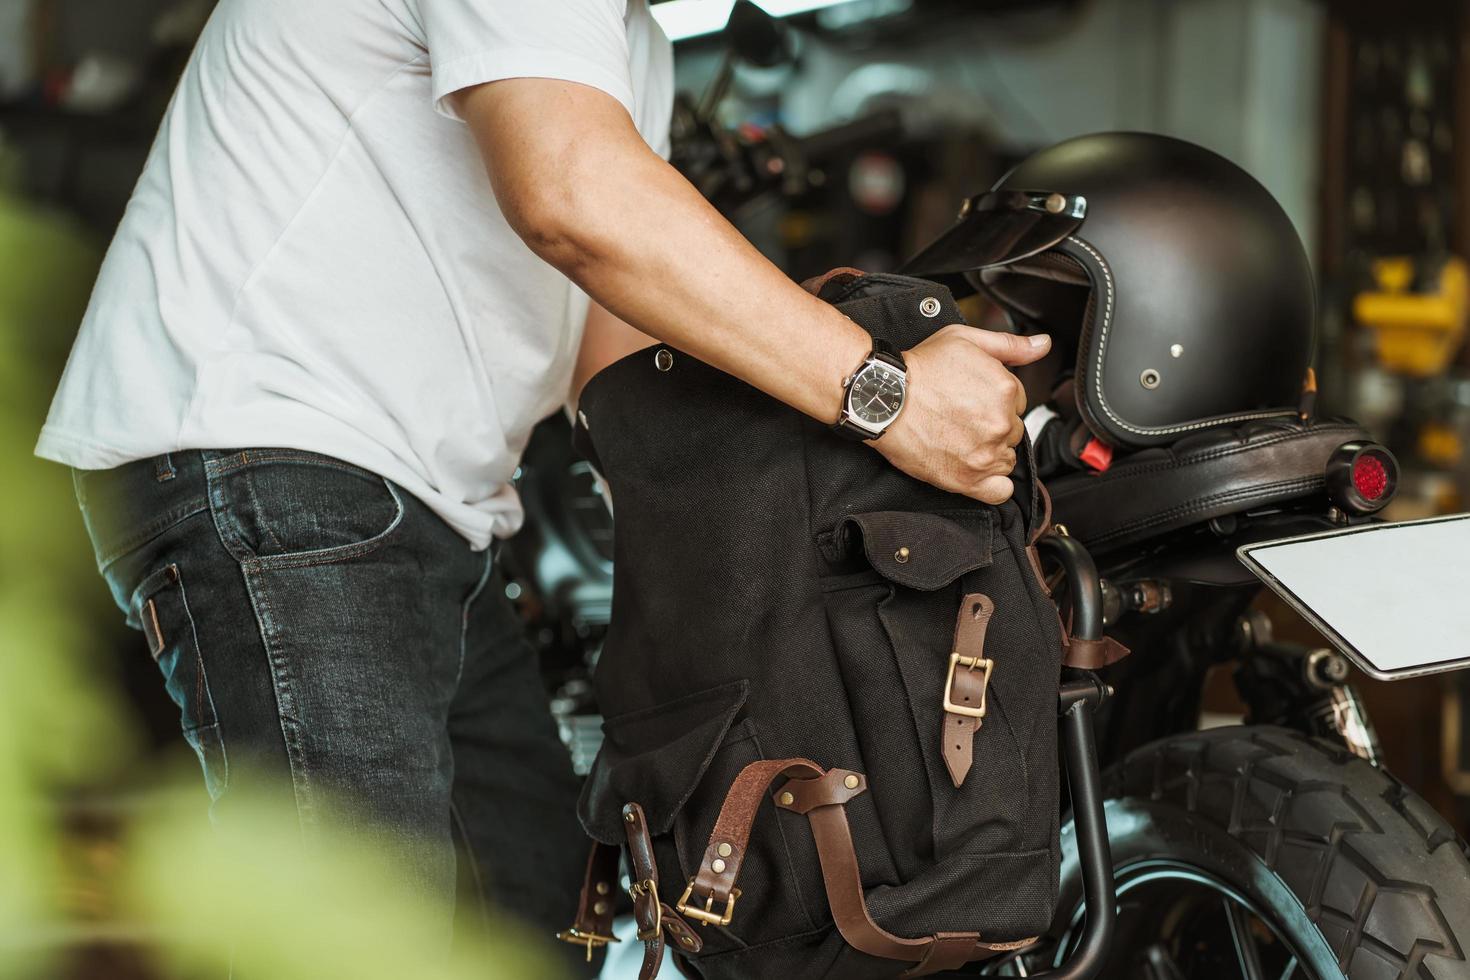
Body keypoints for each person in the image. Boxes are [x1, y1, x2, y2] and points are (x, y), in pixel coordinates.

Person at [37, 0, 1048, 959]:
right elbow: (573, 197)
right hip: (277, 456)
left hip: (419, 501)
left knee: (527, 918)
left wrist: (845, 473)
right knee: (360, 938)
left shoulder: (628, 43)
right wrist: (884, 395)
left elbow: (619, 338)